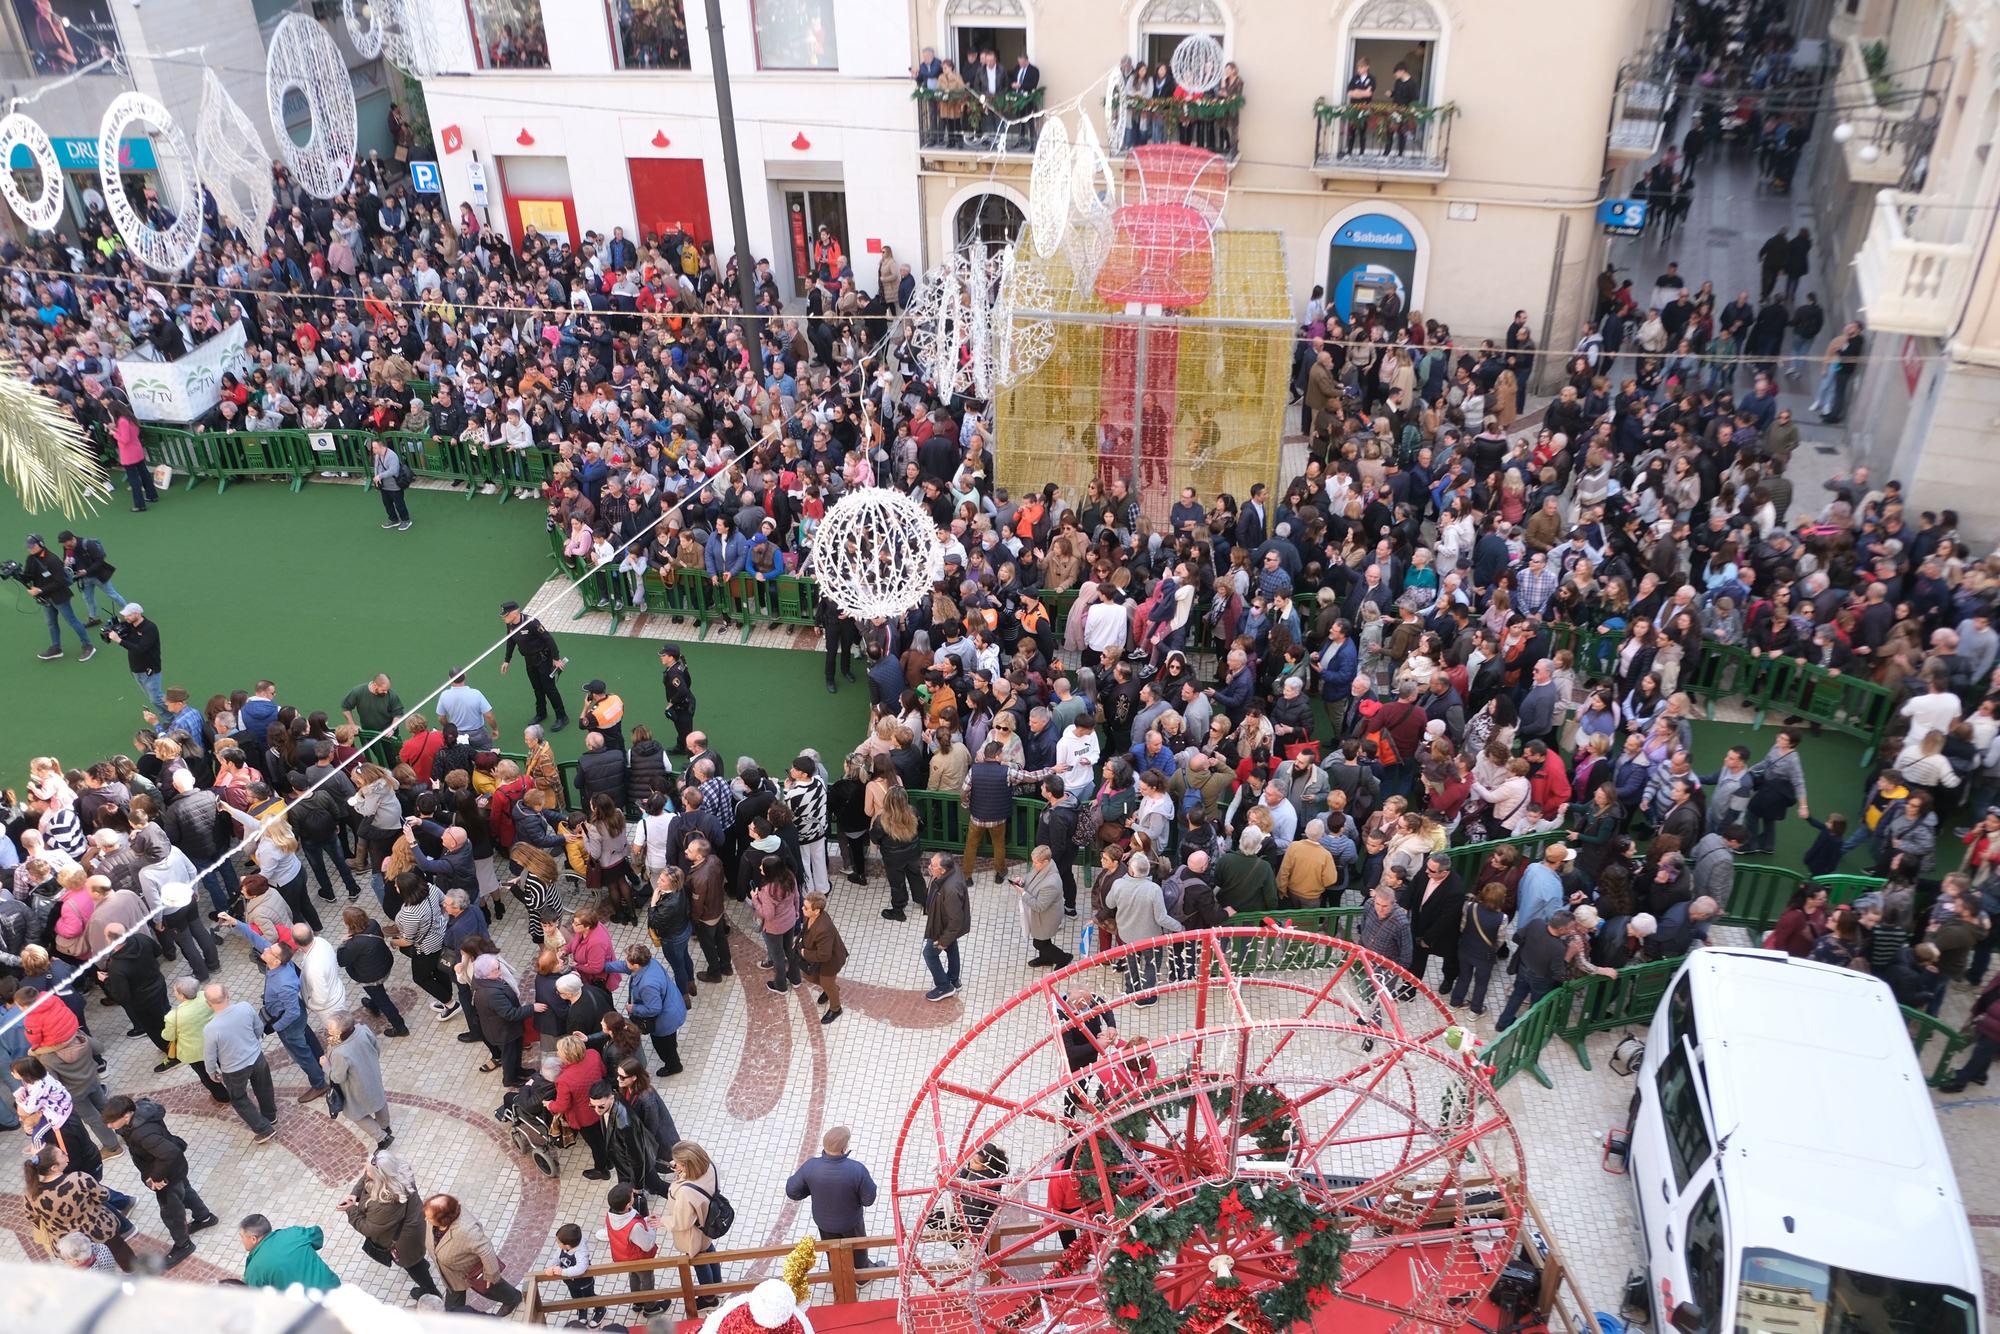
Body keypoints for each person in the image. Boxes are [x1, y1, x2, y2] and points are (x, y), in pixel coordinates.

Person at [103, 1093, 219, 1269]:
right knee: (185, 1191)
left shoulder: (143, 1134)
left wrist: (156, 1177)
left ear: (127, 1115)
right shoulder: (141, 1112)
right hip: (176, 1170)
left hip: (167, 1176)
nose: (108, 1126)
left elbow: (170, 1153)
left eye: (112, 1122)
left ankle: (183, 1245)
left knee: (171, 1212)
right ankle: (204, 1217)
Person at [339, 1149, 443, 1300]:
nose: (365, 1172)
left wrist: (350, 1209)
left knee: (411, 1264)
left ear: (379, 1177)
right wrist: (355, 1193)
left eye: (368, 1170)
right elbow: (368, 1175)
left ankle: (431, 1291)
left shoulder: (385, 1204)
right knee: (415, 1258)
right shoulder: (396, 1171)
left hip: (404, 1241)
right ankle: (421, 1262)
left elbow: (369, 1228)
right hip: (413, 1223)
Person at [785, 1125, 878, 1270]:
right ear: (844, 1147)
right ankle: (861, 1275)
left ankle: (836, 1273)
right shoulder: (856, 1169)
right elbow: (868, 1200)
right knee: (858, 1249)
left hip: (824, 1222)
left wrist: (811, 1189)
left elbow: (792, 1191)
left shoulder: (811, 1166)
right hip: (851, 1222)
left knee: (832, 1249)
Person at [201, 981, 279, 1144]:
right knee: (264, 1087)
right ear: (228, 994)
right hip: (256, 1057)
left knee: (238, 1098)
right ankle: (270, 1116)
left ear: (208, 1004)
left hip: (233, 1069)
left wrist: (211, 1071)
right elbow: (258, 1027)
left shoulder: (211, 1028)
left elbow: (210, 1055)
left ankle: (263, 1129)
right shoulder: (245, 1007)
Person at [424, 1193, 524, 1315]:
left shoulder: (467, 1230)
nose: (426, 1219)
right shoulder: (437, 1217)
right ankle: (451, 1318)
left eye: (429, 1218)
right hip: (452, 1274)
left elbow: (486, 1249)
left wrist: (491, 1274)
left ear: (443, 1219)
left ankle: (513, 1299)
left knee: (491, 1287)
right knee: (452, 1307)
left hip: (471, 1271)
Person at [20, 533, 96, 662]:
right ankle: (56, 648)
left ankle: (88, 646)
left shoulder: (52, 560)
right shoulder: (31, 559)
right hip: (45, 598)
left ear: (41, 544)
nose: (30, 548)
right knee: (51, 623)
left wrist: (40, 590)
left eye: (33, 546)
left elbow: (60, 582)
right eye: (28, 546)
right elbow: (28, 576)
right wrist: (18, 575)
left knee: (72, 621)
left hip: (59, 597)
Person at [326, 1009, 394, 1148]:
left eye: (331, 1028)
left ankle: (382, 1138)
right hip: (372, 1076)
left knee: (356, 1114)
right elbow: (376, 1049)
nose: (328, 1030)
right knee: (379, 1101)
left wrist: (325, 1066)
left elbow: (337, 1077)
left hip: (356, 1088)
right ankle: (385, 1127)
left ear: (340, 1031)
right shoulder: (363, 1030)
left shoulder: (340, 1052)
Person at [666, 1140, 724, 1302]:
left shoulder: (685, 1191)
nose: (674, 1164)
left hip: (695, 1232)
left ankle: (708, 1299)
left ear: (687, 1165)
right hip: (708, 1222)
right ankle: (718, 1287)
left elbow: (681, 1222)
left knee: (699, 1261)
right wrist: (681, 1170)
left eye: (678, 1163)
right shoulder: (709, 1166)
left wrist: (664, 1221)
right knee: (710, 1251)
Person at [500, 601, 569, 731]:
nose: (504, 617)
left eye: (506, 614)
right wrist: (507, 660)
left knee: (549, 688)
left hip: (543, 659)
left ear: (515, 613)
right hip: (529, 660)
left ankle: (562, 716)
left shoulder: (531, 623)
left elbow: (549, 639)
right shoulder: (510, 625)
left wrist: (556, 658)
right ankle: (541, 713)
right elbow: (510, 641)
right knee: (537, 688)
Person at [240, 1212, 342, 1291]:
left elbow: (256, 1300)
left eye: (242, 1236)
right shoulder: (295, 1233)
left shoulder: (254, 1270)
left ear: (253, 1239)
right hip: (333, 1289)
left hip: (309, 1311)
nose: (241, 1240)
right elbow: (317, 1235)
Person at [922, 852, 971, 1001]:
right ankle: (954, 980)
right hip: (944, 922)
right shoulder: (951, 870)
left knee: (929, 954)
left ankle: (944, 986)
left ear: (942, 870)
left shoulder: (950, 890)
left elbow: (955, 921)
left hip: (943, 926)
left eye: (933, 865)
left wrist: (943, 940)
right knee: (952, 946)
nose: (929, 867)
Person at [540, 1222, 606, 1328]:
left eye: (558, 1242)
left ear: (567, 1245)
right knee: (575, 1296)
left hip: (584, 1282)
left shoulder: (581, 1252)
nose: (557, 1243)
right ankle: (582, 1309)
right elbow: (556, 1258)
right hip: (570, 1282)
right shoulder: (562, 1248)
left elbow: (581, 1268)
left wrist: (562, 1272)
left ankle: (600, 1309)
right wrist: (550, 1267)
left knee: (589, 1296)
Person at [103, 603, 164, 713]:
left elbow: (140, 649)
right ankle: (168, 719)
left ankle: (175, 715)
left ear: (137, 614)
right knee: (152, 699)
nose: (126, 618)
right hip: (136, 670)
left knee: (157, 699)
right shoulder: (129, 624)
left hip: (150, 669)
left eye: (128, 615)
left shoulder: (150, 628)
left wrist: (119, 640)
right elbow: (119, 629)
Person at [1017, 843, 1071, 967]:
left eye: (1036, 863)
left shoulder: (1051, 883)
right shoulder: (1042, 867)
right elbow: (1031, 878)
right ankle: (1046, 958)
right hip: (1042, 916)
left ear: (1046, 861)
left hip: (1047, 917)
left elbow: (1039, 906)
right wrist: (1022, 881)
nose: (1034, 865)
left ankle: (1063, 958)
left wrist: (1023, 893)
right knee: (1043, 939)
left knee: (1039, 943)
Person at [798, 890, 847, 1023]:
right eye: (804, 905)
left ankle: (836, 1008)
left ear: (817, 911)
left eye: (806, 907)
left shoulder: (823, 928)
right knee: (809, 976)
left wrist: (803, 953)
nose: (803, 909)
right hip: (818, 957)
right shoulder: (809, 915)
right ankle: (830, 988)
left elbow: (824, 955)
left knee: (827, 982)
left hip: (830, 961)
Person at [659, 643, 697, 753]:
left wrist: (671, 702)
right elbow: (688, 681)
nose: (661, 657)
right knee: (681, 730)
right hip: (685, 703)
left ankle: (692, 758)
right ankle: (680, 747)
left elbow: (683, 690)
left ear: (671, 657)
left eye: (663, 655)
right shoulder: (680, 664)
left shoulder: (673, 673)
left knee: (687, 735)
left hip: (683, 707)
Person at [370, 439, 412, 530]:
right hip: (384, 486)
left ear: (381, 447)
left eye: (375, 447)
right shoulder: (377, 456)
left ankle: (406, 520)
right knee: (387, 503)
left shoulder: (392, 456)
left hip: (394, 486)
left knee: (399, 504)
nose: (373, 449)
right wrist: (376, 477)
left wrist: (379, 476)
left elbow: (393, 471)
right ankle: (393, 519)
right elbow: (376, 467)